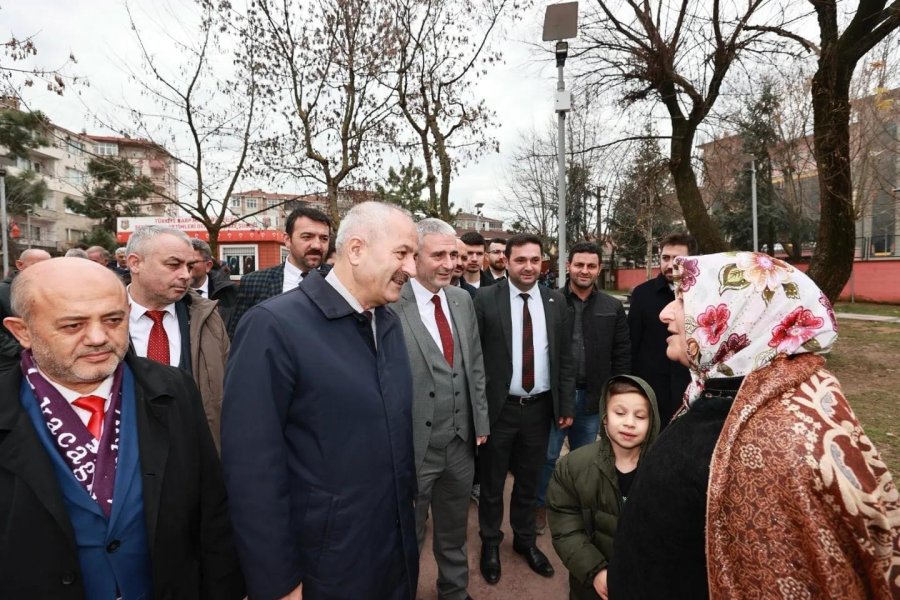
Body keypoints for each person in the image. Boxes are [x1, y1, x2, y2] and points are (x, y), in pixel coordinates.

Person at [608, 251, 900, 599]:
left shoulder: (770, 435)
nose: (665, 313)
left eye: (684, 299)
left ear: (738, 318)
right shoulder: (726, 394)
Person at [0, 257, 244, 599]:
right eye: (73, 326)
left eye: (114, 320)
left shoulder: (174, 389)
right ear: (22, 331)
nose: (99, 338)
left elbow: (212, 514)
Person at [221, 201, 420, 600]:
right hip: (324, 567)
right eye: (402, 254)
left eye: (414, 256)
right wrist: (277, 582)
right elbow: (252, 471)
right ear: (357, 250)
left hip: (392, 551)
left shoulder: (389, 322)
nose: (413, 269)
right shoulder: (273, 327)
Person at [390, 218, 490, 600]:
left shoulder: (463, 300)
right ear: (415, 257)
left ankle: (454, 591)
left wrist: (479, 421)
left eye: (455, 254)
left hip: (461, 443)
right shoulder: (391, 303)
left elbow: (474, 365)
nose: (451, 263)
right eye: (440, 255)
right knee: (408, 534)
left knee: (453, 530)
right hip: (413, 445)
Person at [475, 233, 576, 584]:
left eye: (535, 260)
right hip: (498, 410)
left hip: (539, 408)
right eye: (521, 260)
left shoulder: (555, 301)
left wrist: (564, 404)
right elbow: (475, 360)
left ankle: (524, 541)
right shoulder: (486, 299)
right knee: (491, 482)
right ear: (507, 260)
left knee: (529, 482)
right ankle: (490, 542)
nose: (529, 267)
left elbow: (564, 357)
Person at [535, 241, 631, 534]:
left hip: (593, 397)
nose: (584, 271)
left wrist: (618, 393)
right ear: (568, 266)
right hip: (554, 397)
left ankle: (575, 510)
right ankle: (540, 507)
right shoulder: (549, 302)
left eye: (591, 266)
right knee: (548, 457)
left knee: (584, 460)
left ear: (599, 269)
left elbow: (622, 353)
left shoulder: (611, 307)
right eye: (579, 265)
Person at [546, 375, 660, 600]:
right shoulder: (573, 467)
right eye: (620, 413)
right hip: (589, 587)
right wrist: (595, 571)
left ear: (652, 423)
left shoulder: (663, 470)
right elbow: (565, 525)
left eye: (640, 416)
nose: (629, 422)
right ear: (605, 417)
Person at [126, 225, 230, 451]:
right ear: (135, 263)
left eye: (190, 266)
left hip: (197, 458)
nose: (186, 275)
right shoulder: (101, 322)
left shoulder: (210, 319)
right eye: (173, 265)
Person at [227, 205, 332, 337]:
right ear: (287, 240)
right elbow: (238, 336)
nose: (317, 245)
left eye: (324, 239)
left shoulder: (339, 279)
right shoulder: (255, 283)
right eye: (307, 237)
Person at [627, 233, 696, 427]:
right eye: (665, 258)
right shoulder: (642, 294)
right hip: (651, 389)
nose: (669, 264)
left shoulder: (702, 295)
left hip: (689, 389)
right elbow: (632, 342)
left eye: (677, 259)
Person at [0, 248, 51, 373]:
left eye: (48, 267)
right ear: (20, 265)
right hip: (10, 364)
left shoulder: (50, 290)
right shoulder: (2, 292)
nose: (43, 271)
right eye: (37, 265)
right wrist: (19, 350)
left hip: (47, 361)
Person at [189, 238, 238, 326]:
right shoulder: (171, 294)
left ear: (208, 266)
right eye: (180, 262)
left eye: (191, 262)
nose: (185, 267)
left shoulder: (229, 293)